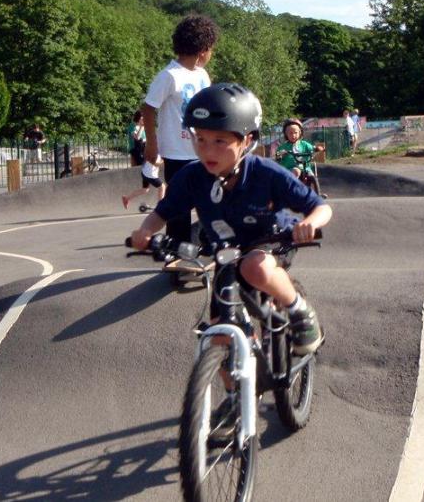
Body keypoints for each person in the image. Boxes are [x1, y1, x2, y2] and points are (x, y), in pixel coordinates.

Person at [131, 83, 330, 356]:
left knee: (254, 269)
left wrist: (310, 224)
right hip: (226, 255)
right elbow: (161, 213)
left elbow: (320, 207)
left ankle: (299, 311)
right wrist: (145, 231)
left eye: (220, 141)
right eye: (200, 139)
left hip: (269, 244)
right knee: (221, 338)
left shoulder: (265, 173)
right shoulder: (192, 177)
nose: (207, 151)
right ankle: (241, 394)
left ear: (247, 140)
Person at [141, 14, 217, 245]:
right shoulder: (169, 76)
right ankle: (176, 254)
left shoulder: (202, 75)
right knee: (178, 208)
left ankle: (205, 245)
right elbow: (148, 108)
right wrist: (152, 145)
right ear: (203, 49)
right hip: (176, 154)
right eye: (211, 49)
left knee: (212, 203)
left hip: (203, 152)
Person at [275, 118, 324, 184]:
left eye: (295, 133)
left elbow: (312, 148)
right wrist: (280, 155)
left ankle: (315, 192)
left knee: (312, 176)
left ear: (300, 133)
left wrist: (318, 148)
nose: (293, 135)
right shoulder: (283, 146)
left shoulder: (304, 144)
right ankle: (290, 187)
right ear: (286, 134)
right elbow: (277, 156)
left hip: (305, 168)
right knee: (296, 171)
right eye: (290, 133)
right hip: (289, 169)